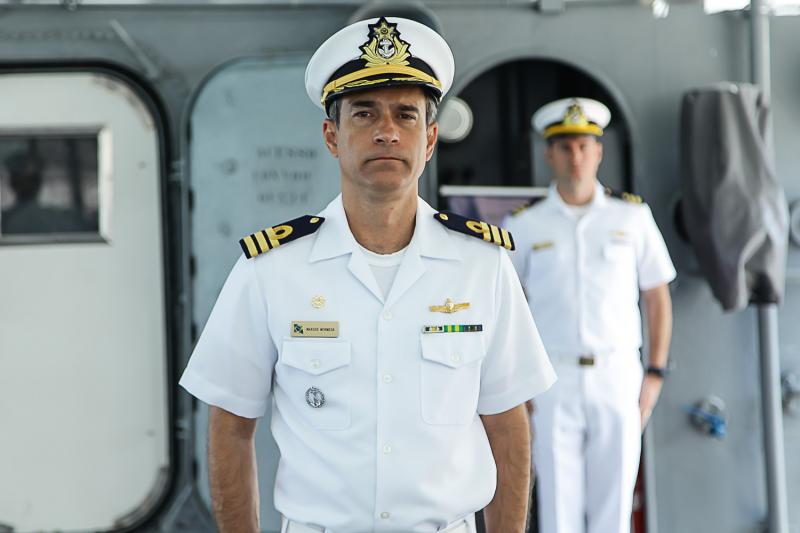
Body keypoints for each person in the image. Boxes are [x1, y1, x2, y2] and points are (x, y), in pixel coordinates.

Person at [179, 16, 556, 533]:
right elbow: (230, 425)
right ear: (331, 136)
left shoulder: (481, 266)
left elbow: (508, 424)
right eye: (364, 113)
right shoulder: (271, 270)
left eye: (406, 115)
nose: (387, 131)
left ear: (430, 140)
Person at [503, 98, 675, 533]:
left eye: (583, 146)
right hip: (552, 377)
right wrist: (519, 381)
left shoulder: (632, 217)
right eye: (565, 147)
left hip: (617, 374)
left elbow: (657, 295)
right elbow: (507, 305)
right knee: (557, 507)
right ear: (549, 153)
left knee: (614, 508)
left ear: (599, 151)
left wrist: (655, 372)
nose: (575, 156)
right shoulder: (524, 224)